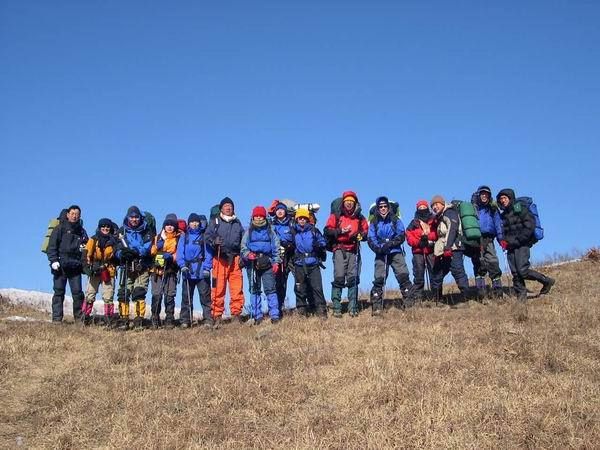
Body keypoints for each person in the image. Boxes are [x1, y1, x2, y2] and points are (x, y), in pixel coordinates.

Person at [496, 189, 555, 302]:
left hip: (522, 244)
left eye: (505, 198)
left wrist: (519, 240)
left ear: (510, 198)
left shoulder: (521, 209)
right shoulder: (503, 216)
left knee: (522, 270)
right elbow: (502, 232)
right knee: (515, 274)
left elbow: (529, 225)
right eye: (501, 199)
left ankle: (547, 281)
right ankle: (522, 301)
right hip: (510, 247)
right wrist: (503, 241)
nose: (503, 200)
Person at [324, 191, 369, 318]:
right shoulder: (336, 216)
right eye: (347, 201)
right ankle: (336, 307)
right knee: (339, 277)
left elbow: (366, 232)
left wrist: (360, 236)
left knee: (353, 278)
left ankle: (353, 307)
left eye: (351, 201)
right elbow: (327, 230)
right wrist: (340, 231)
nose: (349, 203)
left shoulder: (360, 217)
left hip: (354, 249)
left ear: (355, 203)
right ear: (343, 202)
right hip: (340, 248)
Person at [367, 196, 413, 315]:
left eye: (385, 206)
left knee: (403, 276)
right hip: (381, 253)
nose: (383, 208)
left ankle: (410, 305)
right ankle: (377, 307)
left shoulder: (395, 219)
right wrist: (379, 248)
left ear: (388, 207)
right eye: (381, 207)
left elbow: (401, 234)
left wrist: (391, 244)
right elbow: (371, 238)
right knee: (379, 279)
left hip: (395, 251)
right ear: (378, 208)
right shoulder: (374, 222)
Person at [205, 197, 245, 327]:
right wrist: (214, 241)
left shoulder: (237, 222)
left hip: (235, 258)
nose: (228, 207)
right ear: (221, 208)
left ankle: (236, 314)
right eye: (226, 205)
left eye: (230, 206)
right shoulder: (215, 221)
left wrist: (243, 256)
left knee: (237, 287)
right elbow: (207, 236)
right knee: (218, 288)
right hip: (219, 258)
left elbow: (243, 239)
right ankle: (217, 315)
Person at [46, 205, 88, 323]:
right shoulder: (59, 229)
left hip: (75, 267)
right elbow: (52, 246)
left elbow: (86, 250)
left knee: (78, 294)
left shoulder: (81, 231)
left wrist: (84, 265)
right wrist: (54, 261)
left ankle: (79, 320)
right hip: (61, 266)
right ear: (68, 214)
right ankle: (57, 319)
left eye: (77, 214)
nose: (74, 216)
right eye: (72, 214)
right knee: (59, 292)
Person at [115, 206, 154, 330]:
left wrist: (135, 251)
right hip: (125, 266)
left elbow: (148, 246)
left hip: (141, 266)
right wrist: (121, 254)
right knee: (123, 293)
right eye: (131, 217)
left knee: (139, 292)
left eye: (136, 217)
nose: (134, 219)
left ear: (140, 217)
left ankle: (139, 321)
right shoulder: (122, 231)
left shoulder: (146, 230)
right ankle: (123, 319)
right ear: (128, 217)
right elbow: (116, 247)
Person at [241, 206, 282, 324]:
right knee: (254, 290)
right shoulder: (248, 231)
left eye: (261, 216)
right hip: (252, 264)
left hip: (268, 263)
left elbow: (276, 247)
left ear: (264, 217)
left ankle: (274, 315)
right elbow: (243, 248)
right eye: (256, 216)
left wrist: (276, 262)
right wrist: (248, 255)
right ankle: (257, 316)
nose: (258, 218)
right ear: (253, 217)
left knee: (270, 289)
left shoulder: (270, 231)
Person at [429, 195, 470, 304]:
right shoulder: (440, 217)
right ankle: (437, 300)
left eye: (437, 204)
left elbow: (453, 229)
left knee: (457, 272)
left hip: (453, 249)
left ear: (443, 204)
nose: (435, 207)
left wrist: (448, 247)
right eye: (432, 206)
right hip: (443, 251)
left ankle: (465, 300)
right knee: (437, 274)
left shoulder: (449, 212)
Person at [177, 213, 213, 328]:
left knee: (205, 297)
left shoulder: (204, 236)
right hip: (187, 270)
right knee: (186, 297)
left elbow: (208, 253)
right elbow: (179, 253)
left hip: (202, 271)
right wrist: (182, 265)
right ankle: (185, 320)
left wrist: (207, 268)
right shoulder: (184, 237)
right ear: (189, 223)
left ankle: (208, 320)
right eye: (192, 222)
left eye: (196, 222)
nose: (195, 224)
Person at [468, 185, 504, 299]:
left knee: (493, 262)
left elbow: (498, 225)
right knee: (479, 263)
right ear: (478, 195)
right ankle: (481, 291)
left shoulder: (493, 209)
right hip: (476, 239)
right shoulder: (473, 208)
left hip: (489, 239)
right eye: (482, 194)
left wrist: (501, 239)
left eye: (486, 194)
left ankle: (498, 290)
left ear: (489, 196)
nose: (484, 196)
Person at [292, 208, 328, 319]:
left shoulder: (314, 230)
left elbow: (323, 241)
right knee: (300, 288)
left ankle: (321, 311)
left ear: (308, 219)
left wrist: (319, 244)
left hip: (313, 263)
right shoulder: (293, 232)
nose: (302, 220)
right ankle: (302, 311)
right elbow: (289, 244)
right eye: (300, 218)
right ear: (297, 219)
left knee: (317, 287)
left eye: (304, 218)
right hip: (299, 263)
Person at [83, 218, 118, 326]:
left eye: (107, 227)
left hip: (109, 271)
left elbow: (117, 257)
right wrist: (88, 268)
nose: (105, 228)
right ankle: (85, 317)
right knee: (90, 294)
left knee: (108, 296)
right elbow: (86, 254)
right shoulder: (93, 240)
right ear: (99, 227)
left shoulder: (114, 242)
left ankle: (109, 320)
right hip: (94, 271)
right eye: (103, 226)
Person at [150, 214, 181, 329]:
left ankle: (169, 319)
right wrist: (159, 245)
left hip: (171, 270)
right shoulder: (158, 237)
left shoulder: (179, 238)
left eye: (172, 225)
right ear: (164, 226)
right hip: (157, 271)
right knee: (156, 295)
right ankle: (155, 318)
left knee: (169, 295)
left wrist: (172, 257)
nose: (169, 227)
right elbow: (151, 251)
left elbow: (180, 254)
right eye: (167, 224)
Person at [406, 200, 437, 302]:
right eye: (420, 208)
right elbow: (409, 237)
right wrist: (419, 242)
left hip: (431, 250)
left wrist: (428, 237)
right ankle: (418, 298)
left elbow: (437, 233)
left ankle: (436, 297)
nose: (422, 210)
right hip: (418, 252)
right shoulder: (413, 223)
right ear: (417, 209)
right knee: (418, 275)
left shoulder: (433, 220)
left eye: (424, 208)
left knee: (434, 274)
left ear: (427, 208)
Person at [270, 202, 295, 314]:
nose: (280, 212)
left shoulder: (291, 223)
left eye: (282, 210)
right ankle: (279, 306)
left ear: (285, 211)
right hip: (278, 256)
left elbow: (296, 237)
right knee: (280, 282)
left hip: (291, 255)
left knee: (299, 279)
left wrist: (290, 245)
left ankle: (302, 305)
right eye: (278, 210)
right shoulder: (272, 224)